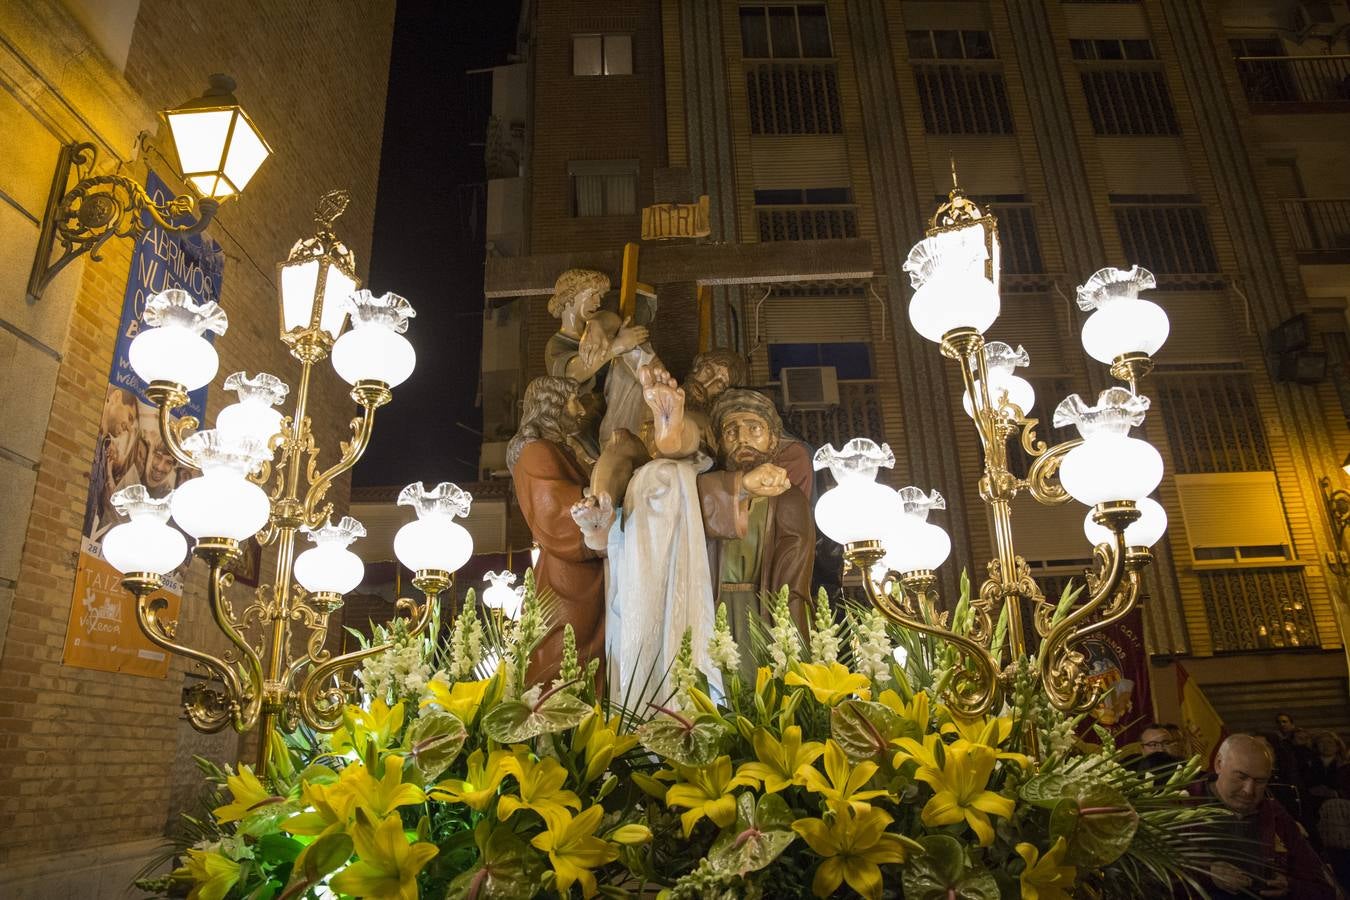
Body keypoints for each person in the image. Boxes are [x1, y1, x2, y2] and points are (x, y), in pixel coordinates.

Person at [507, 376, 605, 689]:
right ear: (553, 405)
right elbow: (554, 517)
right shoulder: (537, 452)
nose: (580, 410)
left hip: (584, 572)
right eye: (574, 400)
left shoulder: (559, 450)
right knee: (562, 659)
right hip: (567, 575)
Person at [1191, 734, 1337, 899]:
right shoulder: (1183, 804)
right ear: (1218, 764)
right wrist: (1206, 875)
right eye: (1241, 777)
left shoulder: (1275, 814)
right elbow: (1159, 878)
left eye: (1260, 781)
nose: (1249, 790)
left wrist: (1290, 886)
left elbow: (1323, 888)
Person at [543, 268, 653, 448]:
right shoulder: (556, 344)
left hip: (621, 402)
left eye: (600, 296)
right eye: (593, 295)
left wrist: (597, 323)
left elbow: (614, 320)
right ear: (571, 296)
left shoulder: (596, 328)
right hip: (593, 420)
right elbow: (570, 374)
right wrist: (618, 345)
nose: (598, 301)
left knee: (637, 355)